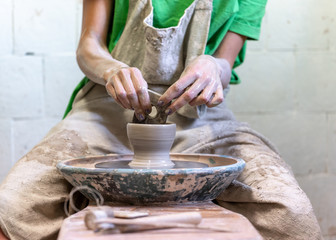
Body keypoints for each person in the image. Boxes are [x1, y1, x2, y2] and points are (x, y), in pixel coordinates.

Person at [0, 0, 323, 239]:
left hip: (200, 112)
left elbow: (225, 63)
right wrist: (111, 69)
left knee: (291, 213)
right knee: (13, 206)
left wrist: (214, 67)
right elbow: (88, 46)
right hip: (106, 106)